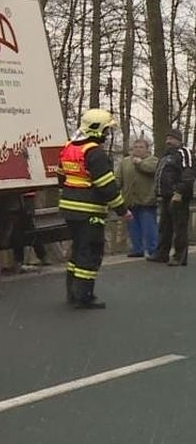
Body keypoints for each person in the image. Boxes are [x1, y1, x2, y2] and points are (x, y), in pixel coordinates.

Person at [58, 109, 132, 309]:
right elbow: (107, 187)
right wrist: (122, 210)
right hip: (89, 211)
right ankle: (84, 296)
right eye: (106, 130)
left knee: (78, 251)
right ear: (97, 129)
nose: (107, 135)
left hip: (69, 210)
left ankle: (73, 292)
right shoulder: (95, 153)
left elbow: (61, 178)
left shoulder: (68, 148)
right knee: (90, 252)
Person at [150, 128, 194, 266]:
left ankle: (180, 256)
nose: (168, 141)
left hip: (178, 195)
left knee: (179, 226)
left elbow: (188, 173)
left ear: (179, 140)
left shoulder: (184, 153)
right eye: (167, 138)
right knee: (164, 226)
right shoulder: (165, 156)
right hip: (165, 195)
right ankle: (162, 253)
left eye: (172, 138)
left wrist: (180, 191)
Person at [116, 137, 159, 258]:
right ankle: (137, 249)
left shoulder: (153, 160)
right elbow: (119, 178)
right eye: (135, 147)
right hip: (130, 200)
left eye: (141, 147)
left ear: (147, 149)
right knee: (133, 228)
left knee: (149, 227)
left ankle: (153, 250)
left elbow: (153, 170)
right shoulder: (125, 162)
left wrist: (140, 163)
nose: (138, 149)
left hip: (147, 200)